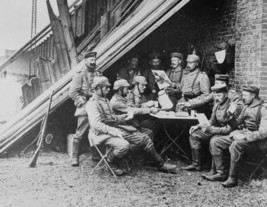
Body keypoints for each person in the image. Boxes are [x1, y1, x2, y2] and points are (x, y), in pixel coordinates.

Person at [86, 76, 176, 175]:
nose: (108, 89)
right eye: (106, 87)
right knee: (132, 143)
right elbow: (96, 125)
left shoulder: (105, 100)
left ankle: (158, 163)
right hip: (102, 133)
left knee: (145, 137)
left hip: (113, 128)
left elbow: (111, 118)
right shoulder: (92, 104)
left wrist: (123, 117)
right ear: (98, 88)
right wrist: (113, 130)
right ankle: (110, 161)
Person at [205, 86, 267, 187]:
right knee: (216, 141)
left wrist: (245, 137)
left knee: (235, 145)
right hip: (245, 136)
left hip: (258, 142)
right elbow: (237, 124)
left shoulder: (263, 109)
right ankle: (221, 173)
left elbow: (264, 133)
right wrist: (230, 116)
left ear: (253, 96)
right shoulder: (246, 106)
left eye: (245, 95)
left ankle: (232, 178)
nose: (242, 98)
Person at [182, 82, 239, 172]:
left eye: (219, 95)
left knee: (214, 140)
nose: (216, 98)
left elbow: (229, 129)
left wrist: (212, 130)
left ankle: (217, 170)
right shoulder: (216, 104)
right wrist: (199, 125)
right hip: (215, 130)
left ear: (225, 94)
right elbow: (211, 121)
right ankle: (196, 164)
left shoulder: (231, 107)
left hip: (226, 132)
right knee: (195, 134)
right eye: (215, 96)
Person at [69, 51, 99, 166]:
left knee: (95, 130)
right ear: (85, 61)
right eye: (91, 60)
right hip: (85, 105)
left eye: (94, 60)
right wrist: (81, 101)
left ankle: (96, 155)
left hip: (95, 106)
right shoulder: (80, 73)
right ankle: (74, 157)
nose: (93, 62)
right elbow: (72, 93)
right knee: (80, 132)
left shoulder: (97, 73)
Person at [177, 74, 243, 113]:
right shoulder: (215, 93)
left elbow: (240, 107)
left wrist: (231, 108)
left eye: (217, 84)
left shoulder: (232, 94)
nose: (215, 86)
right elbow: (204, 100)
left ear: (224, 84)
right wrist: (189, 103)